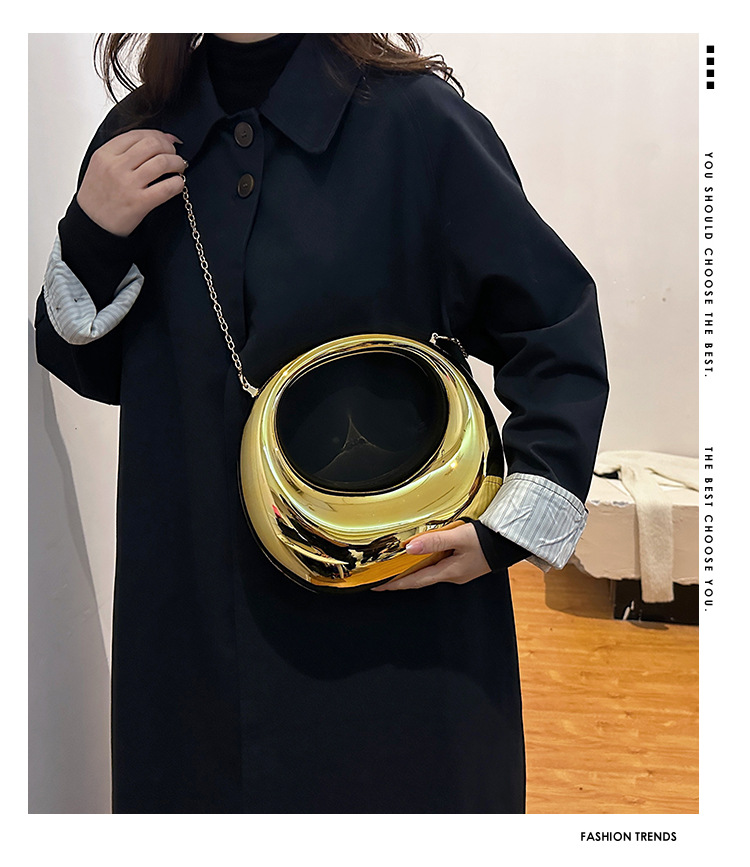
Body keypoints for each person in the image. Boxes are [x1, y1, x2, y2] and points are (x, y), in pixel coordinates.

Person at [34, 32, 609, 813]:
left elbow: (553, 323)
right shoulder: (134, 142)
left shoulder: (416, 124)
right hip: (194, 631)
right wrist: (91, 235)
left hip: (396, 620)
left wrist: (510, 524)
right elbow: (96, 371)